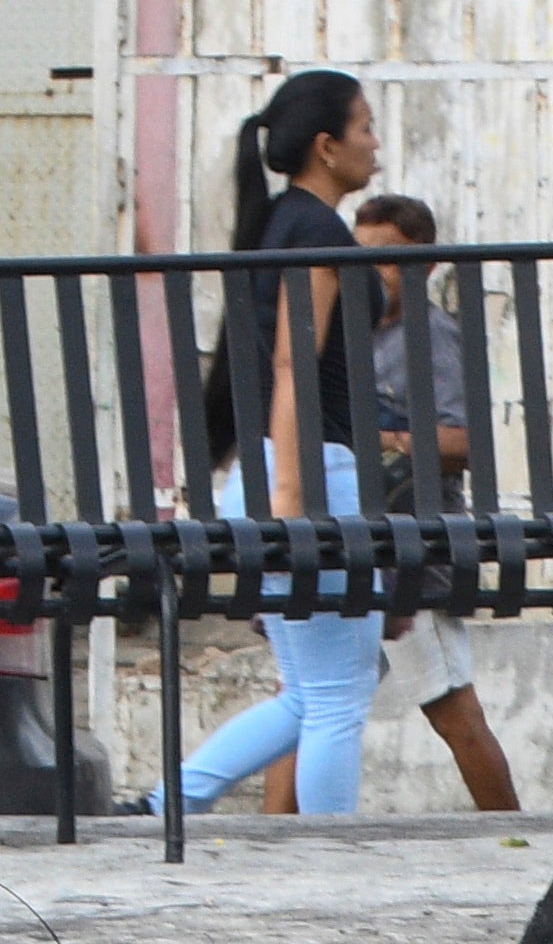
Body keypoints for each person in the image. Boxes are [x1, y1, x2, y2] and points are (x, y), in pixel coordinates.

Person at [142, 70, 388, 819]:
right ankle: (328, 861)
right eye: (365, 126)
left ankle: (168, 802)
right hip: (312, 476)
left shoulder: (278, 222)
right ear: (326, 145)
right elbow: (294, 361)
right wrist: (292, 503)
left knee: (315, 691)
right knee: (339, 696)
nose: (375, 142)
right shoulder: (315, 231)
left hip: (268, 470)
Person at [349, 195, 517, 813]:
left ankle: (511, 834)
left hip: (413, 543)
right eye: (357, 257)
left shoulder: (432, 340)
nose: (369, 274)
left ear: (421, 266)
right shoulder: (346, 335)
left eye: (386, 261)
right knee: (310, 704)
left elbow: (463, 442)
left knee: (453, 709)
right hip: (353, 540)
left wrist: (382, 438)